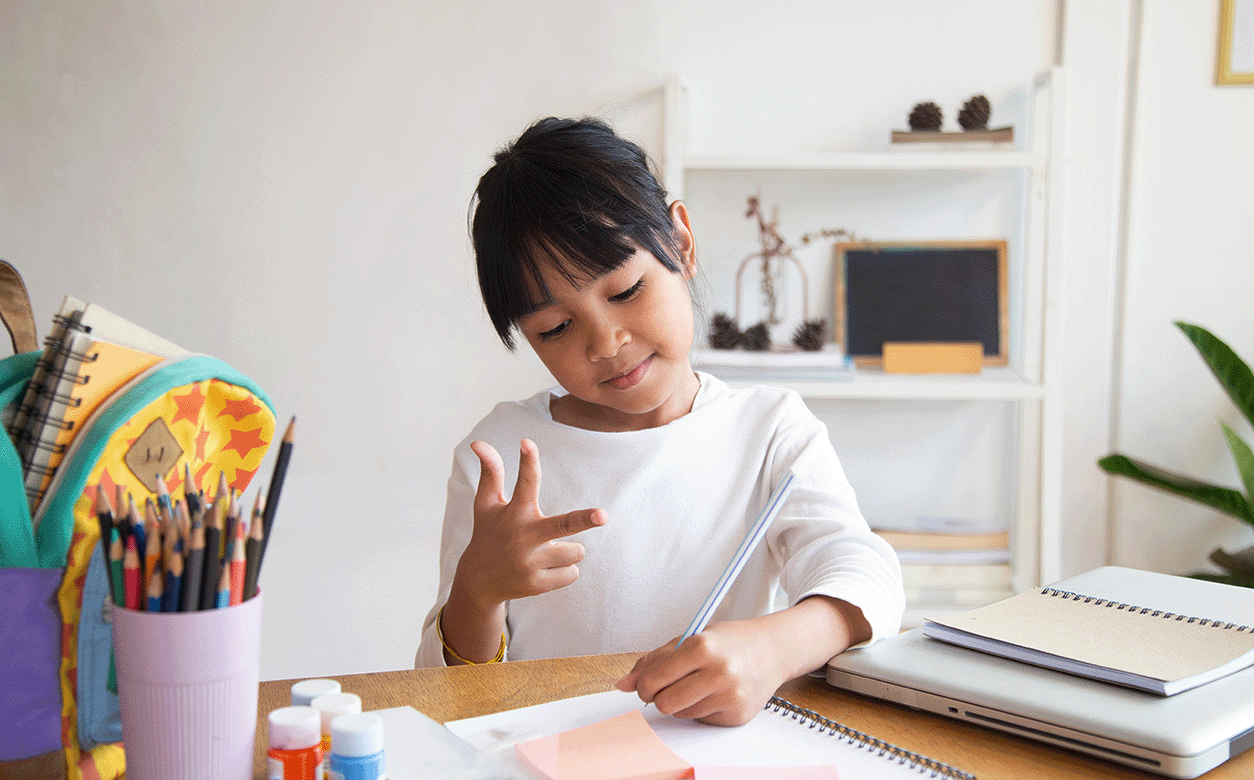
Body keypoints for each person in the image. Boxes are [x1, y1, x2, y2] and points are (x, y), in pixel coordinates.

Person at [416, 116, 903, 727]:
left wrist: (773, 648)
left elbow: (869, 576)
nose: (606, 341)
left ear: (682, 242)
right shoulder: (500, 457)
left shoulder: (769, 430)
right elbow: (447, 693)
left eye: (625, 291)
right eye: (556, 328)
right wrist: (477, 593)